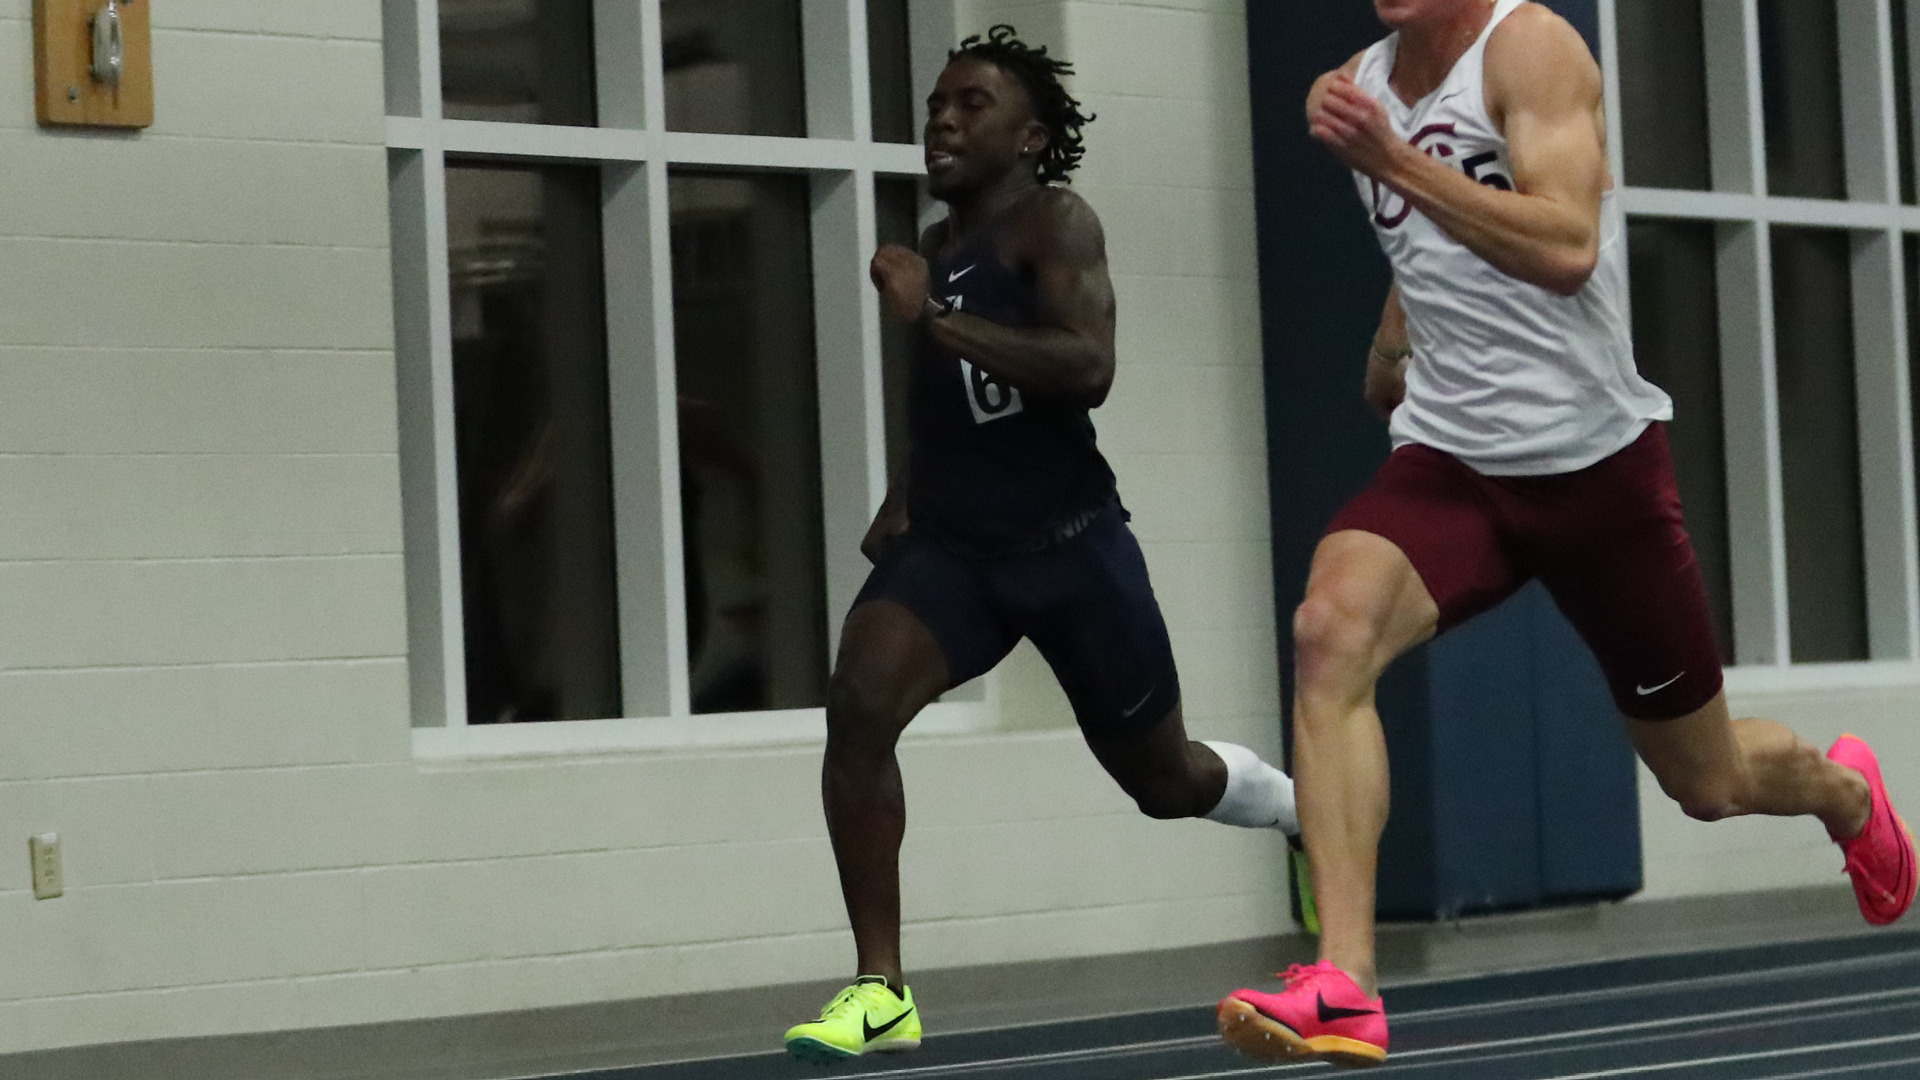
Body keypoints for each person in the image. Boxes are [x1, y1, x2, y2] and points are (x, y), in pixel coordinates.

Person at [1216, 0, 1916, 1068]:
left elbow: (1567, 244)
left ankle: (1845, 791)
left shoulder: (1532, 49)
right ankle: (1348, 981)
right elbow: (1431, 246)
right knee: (1328, 629)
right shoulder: (1360, 85)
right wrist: (1390, 337)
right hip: (1452, 460)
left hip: (1596, 473)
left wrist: (1392, 162)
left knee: (1708, 783)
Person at [781, 25, 1302, 1064]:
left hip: (1073, 552)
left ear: (1026, 138)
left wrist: (932, 321)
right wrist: (906, 494)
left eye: (970, 104)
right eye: (936, 101)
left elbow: (1084, 364)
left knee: (1165, 784)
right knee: (858, 703)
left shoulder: (1055, 224)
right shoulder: (934, 254)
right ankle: (880, 988)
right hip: (960, 554)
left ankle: (1289, 804)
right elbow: (954, 408)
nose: (941, 118)